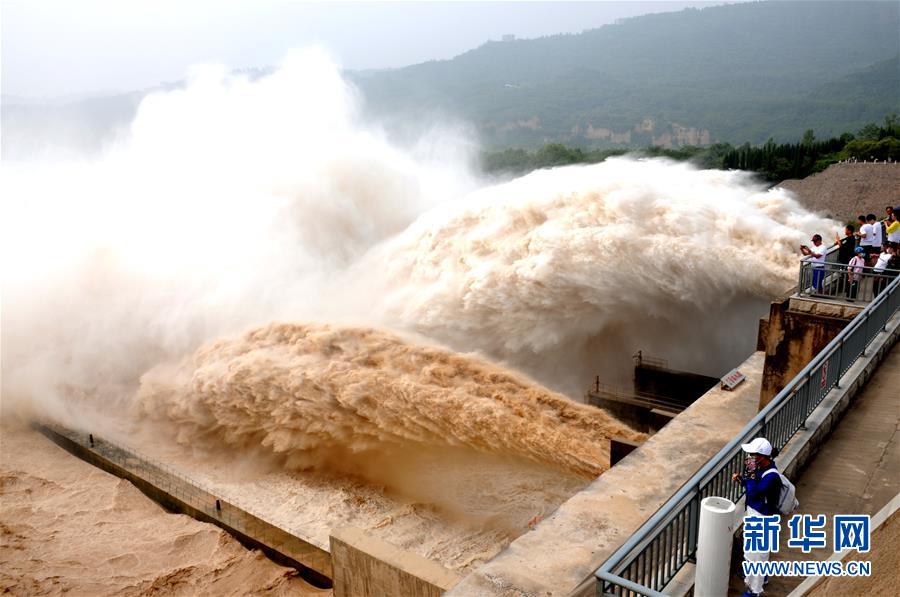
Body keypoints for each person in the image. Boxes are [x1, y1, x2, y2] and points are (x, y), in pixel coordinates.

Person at [733, 437, 782, 597]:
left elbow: (755, 491)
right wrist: (743, 480)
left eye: (752, 454)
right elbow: (753, 490)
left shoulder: (772, 477)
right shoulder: (761, 469)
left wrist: (751, 474)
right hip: (755, 514)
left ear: (761, 456)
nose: (749, 457)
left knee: (756, 555)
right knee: (754, 553)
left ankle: (754, 591)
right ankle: (762, 576)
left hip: (763, 518)